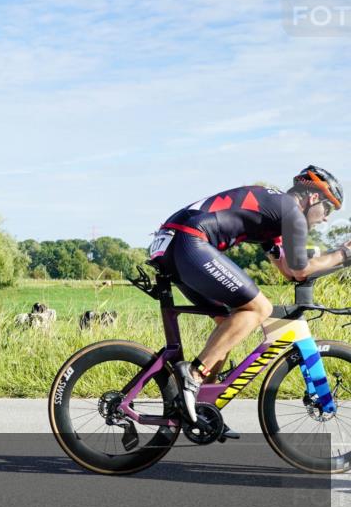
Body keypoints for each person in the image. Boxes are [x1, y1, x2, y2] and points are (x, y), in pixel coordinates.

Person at [148, 165, 349, 430]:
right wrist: (343, 254)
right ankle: (193, 376)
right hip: (190, 242)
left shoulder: (275, 212)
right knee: (258, 308)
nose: (326, 218)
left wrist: (334, 261)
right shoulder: (291, 212)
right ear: (313, 197)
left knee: (227, 325)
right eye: (328, 208)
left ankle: (200, 407)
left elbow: (289, 271)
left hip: (171, 243)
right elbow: (300, 269)